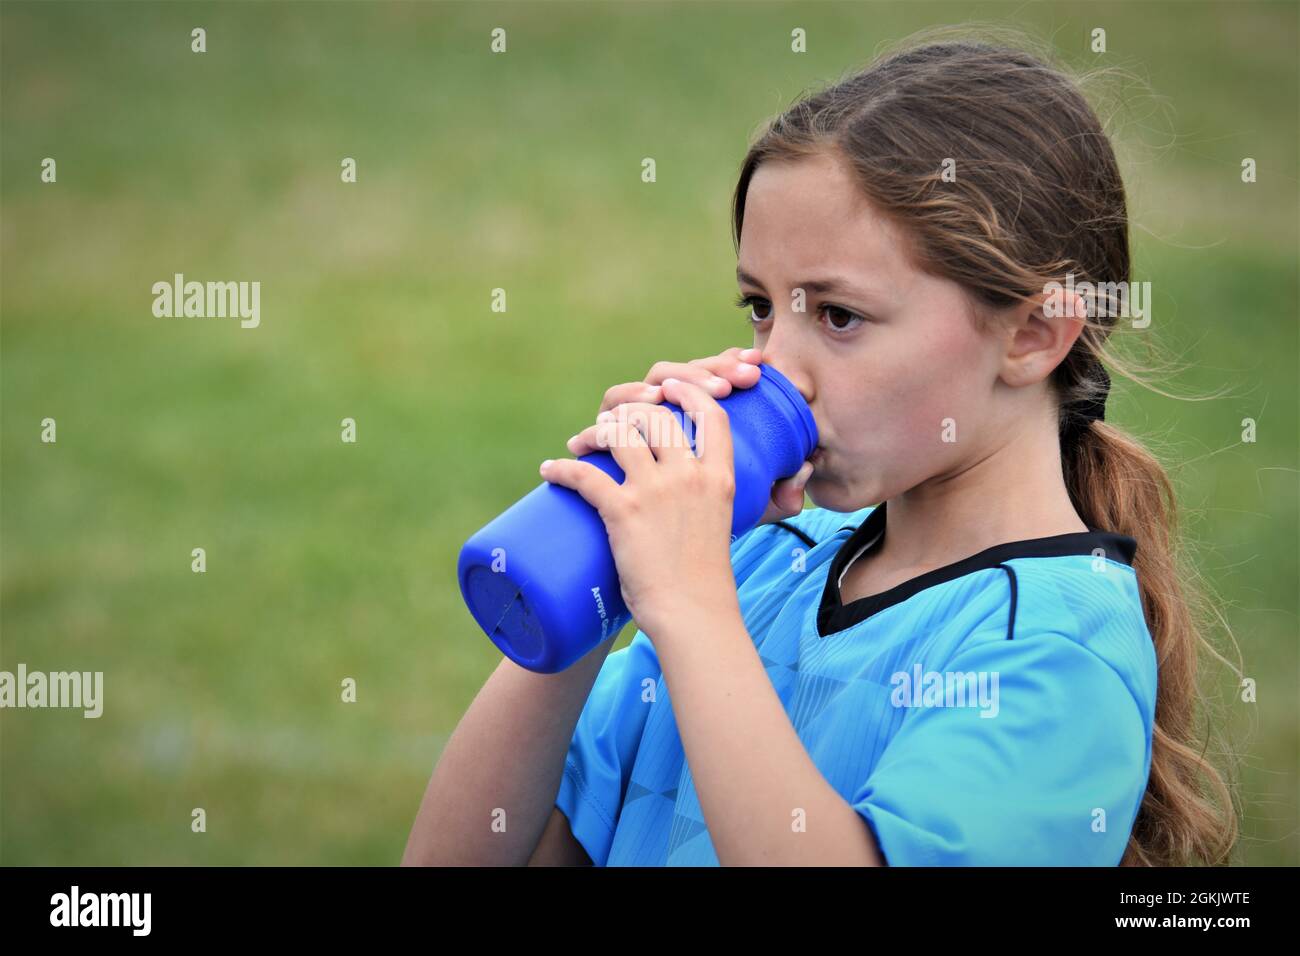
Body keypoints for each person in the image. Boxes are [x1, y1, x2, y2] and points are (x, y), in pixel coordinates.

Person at [403, 35, 1238, 867]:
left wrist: (691, 606)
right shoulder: (761, 564)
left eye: (838, 316)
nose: (774, 368)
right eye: (761, 306)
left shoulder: (1055, 648)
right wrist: (594, 587)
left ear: (1032, 334)